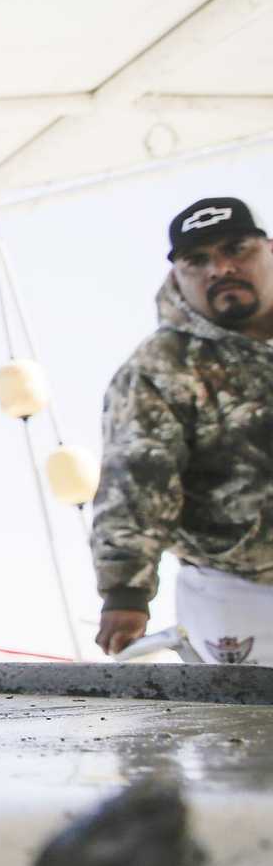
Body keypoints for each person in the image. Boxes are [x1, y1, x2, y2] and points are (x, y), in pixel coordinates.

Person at [92, 196, 273, 665]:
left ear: (268, 250)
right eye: (199, 261)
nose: (221, 268)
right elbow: (137, 479)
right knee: (250, 733)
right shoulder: (159, 367)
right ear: (178, 276)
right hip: (238, 591)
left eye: (237, 249)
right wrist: (125, 593)